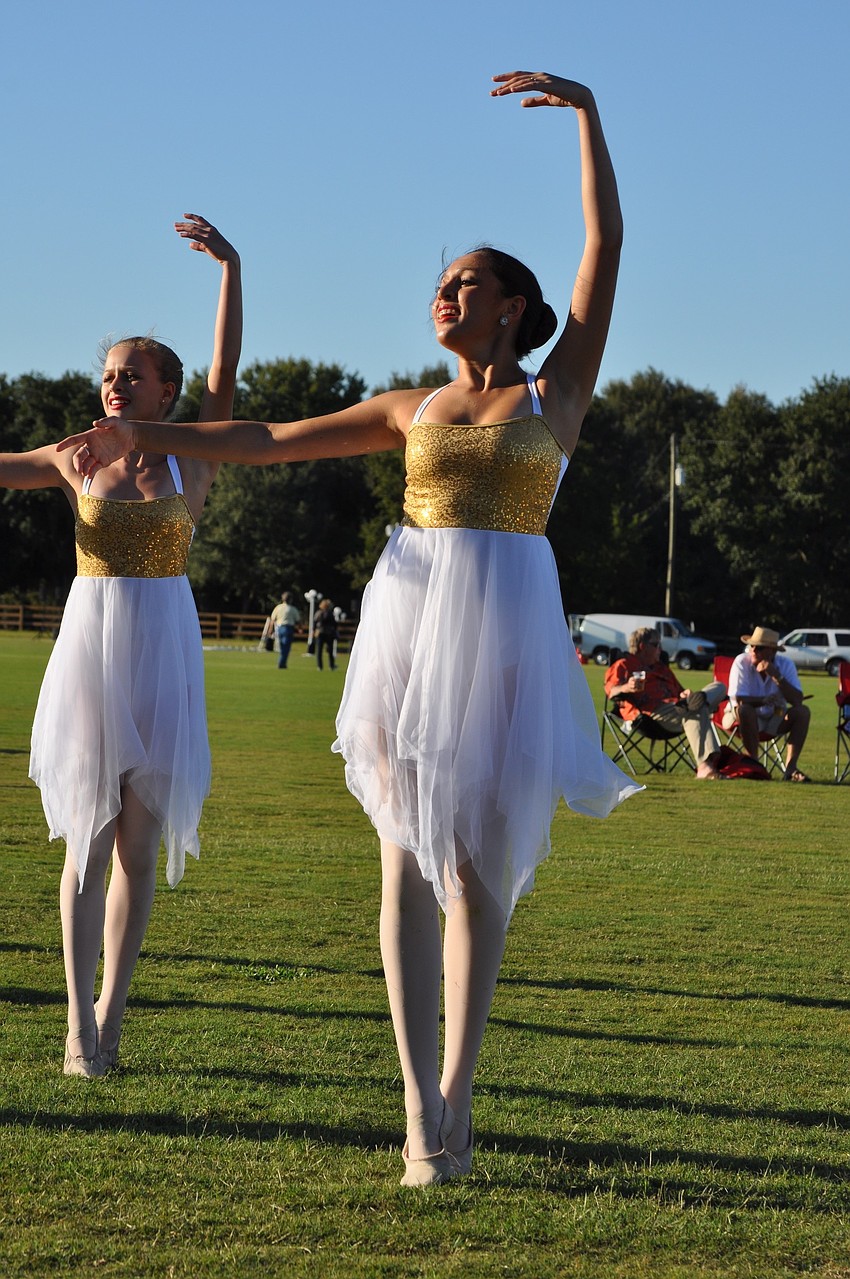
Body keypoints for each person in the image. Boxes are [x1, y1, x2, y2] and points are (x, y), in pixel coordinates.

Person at [61, 71, 639, 1182]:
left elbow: (601, 256)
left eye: (463, 285)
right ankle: (418, 1110)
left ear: (511, 305)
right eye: (437, 286)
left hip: (507, 639)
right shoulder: (406, 407)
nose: (443, 297)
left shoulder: (551, 396)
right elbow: (271, 438)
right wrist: (162, 435)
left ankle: (459, 1096)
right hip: (411, 635)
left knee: (478, 874)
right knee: (402, 866)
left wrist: (589, 121)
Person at [1, 214, 242, 1077]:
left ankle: (113, 1011)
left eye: (129, 375)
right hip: (93, 648)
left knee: (138, 850)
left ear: (163, 393)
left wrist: (230, 272)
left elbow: (226, 380)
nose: (113, 385)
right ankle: (76, 1025)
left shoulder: (192, 460)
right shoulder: (75, 459)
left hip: (164, 652)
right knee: (87, 843)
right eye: (107, 374)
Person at [605, 627, 727, 777]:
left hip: (677, 707)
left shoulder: (662, 668)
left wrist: (685, 694)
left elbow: (679, 692)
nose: (660, 649)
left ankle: (700, 701)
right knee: (695, 709)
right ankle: (706, 765)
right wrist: (626, 687)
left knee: (719, 687)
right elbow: (610, 690)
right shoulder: (624, 665)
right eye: (656, 645)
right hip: (650, 714)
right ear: (643, 646)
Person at [722, 625, 811, 781]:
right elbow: (738, 699)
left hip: (773, 719)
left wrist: (777, 677)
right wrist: (763, 701)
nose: (754, 650)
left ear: (773, 651)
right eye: (752, 646)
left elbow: (797, 700)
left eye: (760, 647)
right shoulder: (741, 662)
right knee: (745, 710)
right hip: (739, 719)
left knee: (803, 712)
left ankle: (791, 769)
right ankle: (754, 765)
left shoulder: (785, 665)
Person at [270, 591, 301, 668]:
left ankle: (282, 663)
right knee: (286, 647)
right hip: (288, 628)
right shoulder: (292, 609)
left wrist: (270, 630)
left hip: (279, 628)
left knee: (282, 646)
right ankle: (281, 663)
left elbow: (272, 619)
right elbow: (298, 620)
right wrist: (300, 628)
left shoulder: (278, 607)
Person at [312, 597, 338, 670]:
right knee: (330, 650)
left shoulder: (318, 613)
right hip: (329, 633)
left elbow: (314, 622)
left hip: (319, 632)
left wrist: (314, 631)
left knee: (319, 651)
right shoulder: (330, 614)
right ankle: (331, 665)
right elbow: (334, 624)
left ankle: (319, 666)